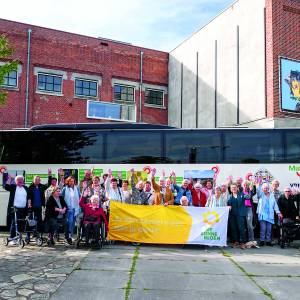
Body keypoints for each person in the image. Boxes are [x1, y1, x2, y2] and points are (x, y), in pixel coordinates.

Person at [61, 176, 81, 244]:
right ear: (68, 182)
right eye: (70, 181)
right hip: (68, 209)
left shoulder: (77, 188)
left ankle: (71, 236)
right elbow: (62, 198)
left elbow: (80, 197)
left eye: (72, 181)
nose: (71, 182)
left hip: (76, 209)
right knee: (69, 223)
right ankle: (68, 236)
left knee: (75, 224)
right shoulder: (65, 189)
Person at [228, 183, 247, 249]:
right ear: (230, 189)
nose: (234, 189)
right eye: (232, 188)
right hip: (232, 215)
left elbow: (248, 197)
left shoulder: (242, 194)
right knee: (233, 228)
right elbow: (227, 204)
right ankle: (236, 242)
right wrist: (228, 206)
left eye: (235, 187)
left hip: (240, 214)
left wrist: (249, 191)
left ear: (237, 188)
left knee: (241, 228)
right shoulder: (229, 196)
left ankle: (243, 242)